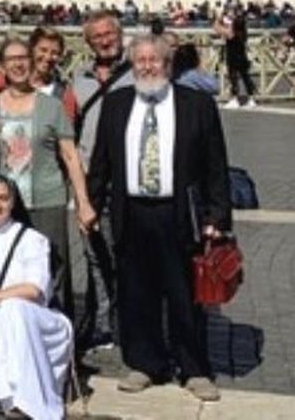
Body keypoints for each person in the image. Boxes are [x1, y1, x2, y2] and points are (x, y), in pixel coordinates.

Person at [86, 35, 231, 403]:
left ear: (168, 65)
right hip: (131, 210)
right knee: (136, 291)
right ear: (132, 65)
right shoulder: (117, 103)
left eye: (155, 60)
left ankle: (194, 367)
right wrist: (90, 202)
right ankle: (145, 363)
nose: (148, 67)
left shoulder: (196, 104)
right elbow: (101, 160)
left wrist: (217, 214)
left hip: (177, 210)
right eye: (141, 61)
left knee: (184, 291)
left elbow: (216, 165)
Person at [0, 38, 98, 313]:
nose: (18, 64)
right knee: (9, 268)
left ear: (31, 61)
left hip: (47, 199)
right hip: (3, 204)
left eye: (23, 58)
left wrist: (83, 202)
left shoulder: (51, 105)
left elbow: (70, 156)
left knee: (54, 268)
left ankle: (61, 338)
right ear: (2, 66)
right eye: (11, 59)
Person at [0, 174, 75, 420]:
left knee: (13, 309)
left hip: (37, 321)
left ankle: (36, 406)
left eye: (3, 198)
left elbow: (34, 290)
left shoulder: (32, 240)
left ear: (12, 202)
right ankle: (17, 401)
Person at [69, 9, 130, 352]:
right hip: (91, 182)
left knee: (130, 256)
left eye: (109, 34)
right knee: (95, 256)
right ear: (88, 43)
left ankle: (131, 324)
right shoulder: (79, 81)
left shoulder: (140, 70)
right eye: (97, 37)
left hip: (129, 182)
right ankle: (104, 324)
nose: (105, 41)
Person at [219, 4, 255, 108]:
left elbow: (220, 29)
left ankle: (235, 99)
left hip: (233, 54)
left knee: (233, 76)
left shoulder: (233, 30)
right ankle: (251, 99)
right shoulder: (242, 30)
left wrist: (220, 20)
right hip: (242, 54)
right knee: (245, 76)